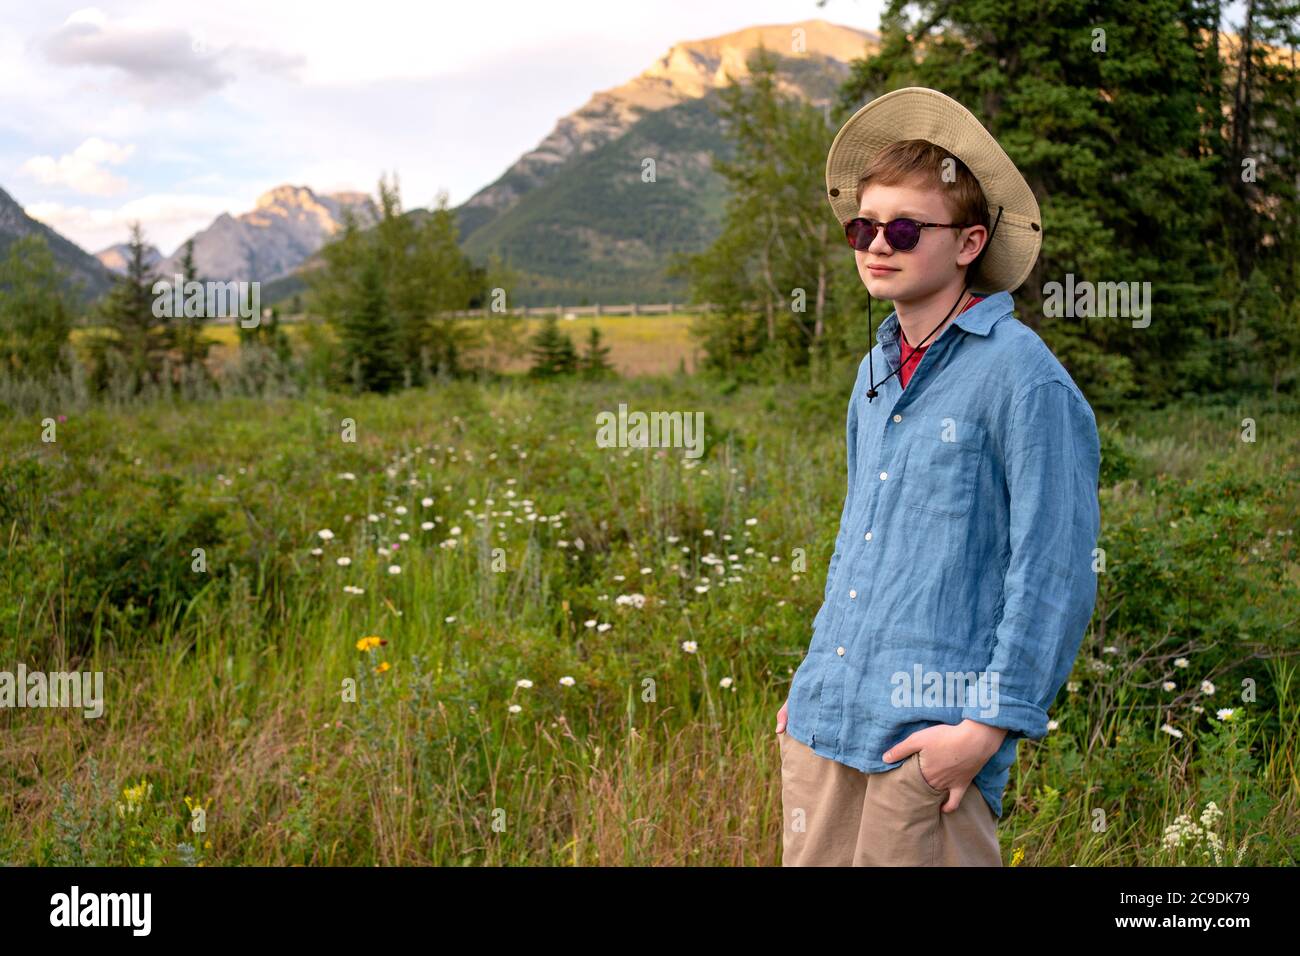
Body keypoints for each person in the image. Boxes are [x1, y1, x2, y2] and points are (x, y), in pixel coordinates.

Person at [776, 87, 1102, 866]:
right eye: (863, 226)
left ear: (968, 244)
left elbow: (1053, 568)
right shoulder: (873, 371)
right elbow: (860, 537)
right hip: (827, 724)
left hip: (927, 749)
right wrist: (814, 677)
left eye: (904, 228)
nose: (876, 244)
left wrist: (984, 729)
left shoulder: (1024, 379)